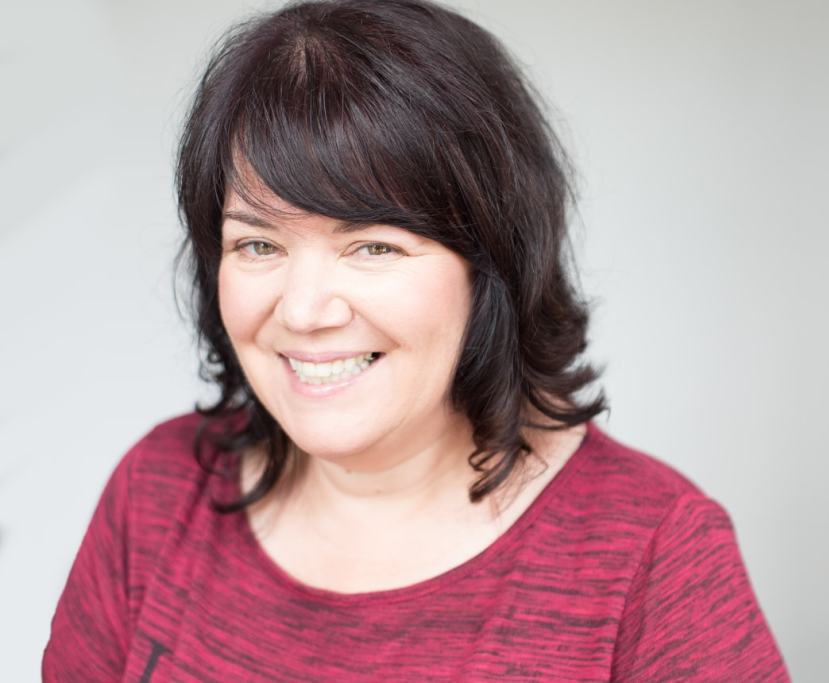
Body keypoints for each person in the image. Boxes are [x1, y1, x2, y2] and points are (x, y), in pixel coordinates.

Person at [43, 0, 789, 680]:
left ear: (491, 264)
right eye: (258, 245)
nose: (302, 310)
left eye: (373, 246)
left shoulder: (652, 553)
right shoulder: (157, 493)